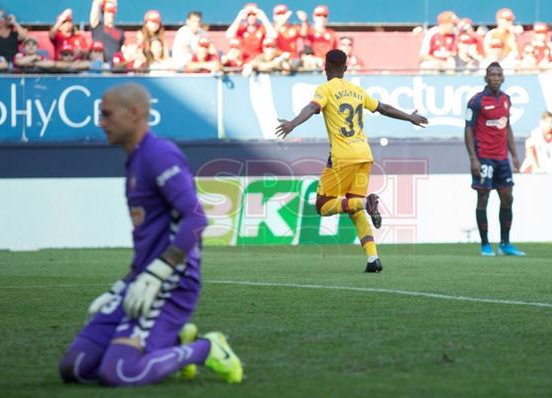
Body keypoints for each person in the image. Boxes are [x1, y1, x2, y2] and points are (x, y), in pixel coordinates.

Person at [58, 83, 243, 386]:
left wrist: (159, 272)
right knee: (75, 368)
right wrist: (124, 283)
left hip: (170, 283)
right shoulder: (135, 160)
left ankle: (207, 348)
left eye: (106, 115)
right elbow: (149, 240)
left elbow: (196, 219)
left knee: (119, 372)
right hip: (141, 280)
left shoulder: (159, 155)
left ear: (134, 114)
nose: (101, 123)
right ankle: (172, 339)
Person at [276, 49, 428, 272]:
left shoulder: (325, 89)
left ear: (325, 67)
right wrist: (410, 117)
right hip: (364, 155)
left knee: (323, 205)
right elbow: (383, 107)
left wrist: (292, 124)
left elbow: (311, 108)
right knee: (353, 208)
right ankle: (372, 259)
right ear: (345, 68)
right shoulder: (357, 91)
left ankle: (367, 203)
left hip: (342, 157)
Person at [464, 62, 525, 257]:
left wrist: (514, 154)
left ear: (503, 78)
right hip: (484, 157)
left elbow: (507, 127)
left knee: (508, 198)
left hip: (502, 159)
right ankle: (485, 244)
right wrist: (473, 158)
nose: (496, 78)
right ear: (486, 78)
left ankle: (505, 243)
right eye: (493, 75)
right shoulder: (476, 101)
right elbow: (468, 130)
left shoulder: (506, 99)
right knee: (483, 198)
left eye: (499, 75)